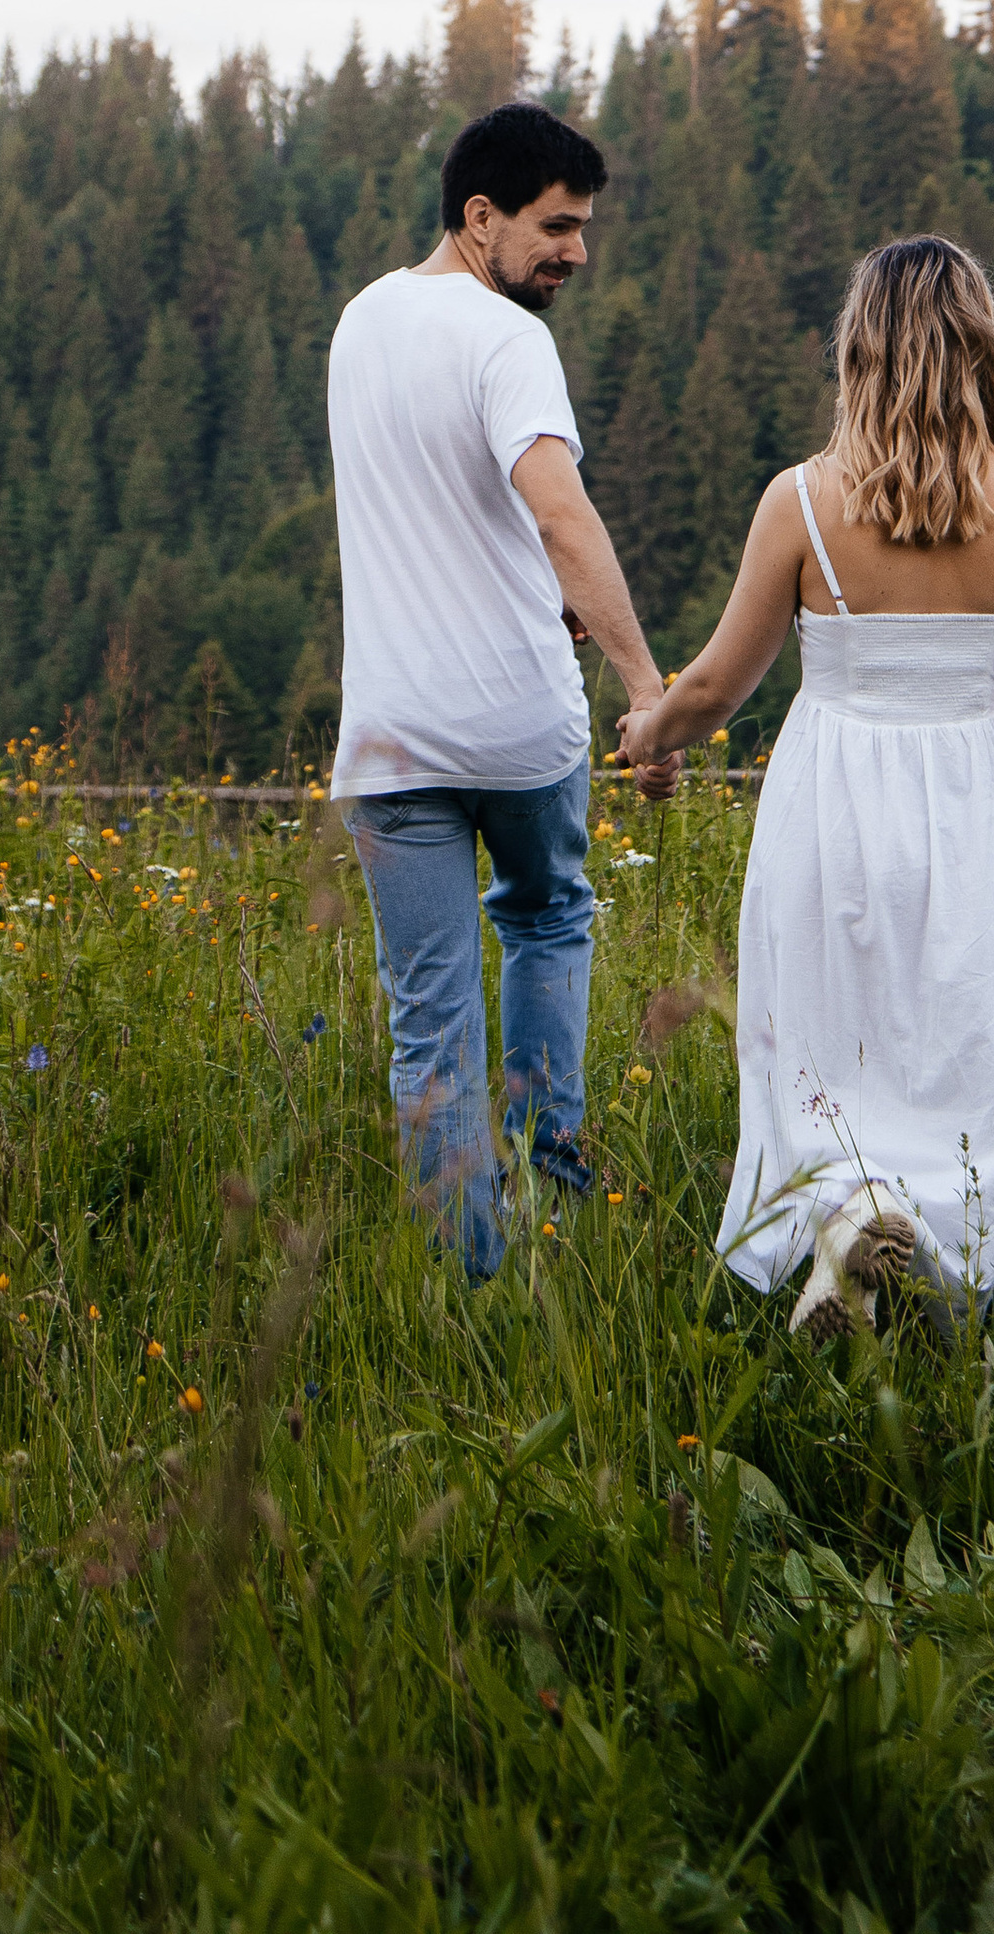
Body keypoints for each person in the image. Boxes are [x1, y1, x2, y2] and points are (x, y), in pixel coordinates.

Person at [617, 233, 994, 1334]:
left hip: (830, 801)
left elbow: (713, 686)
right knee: (966, 1047)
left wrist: (649, 731)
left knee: (821, 1044)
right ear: (984, 349)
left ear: (860, 355)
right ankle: (940, 1268)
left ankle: (848, 1220)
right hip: (970, 807)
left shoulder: (799, 501)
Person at [328, 97, 677, 1279]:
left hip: (387, 740)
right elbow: (556, 507)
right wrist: (645, 685)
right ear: (481, 219)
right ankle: (554, 1201)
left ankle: (473, 1283)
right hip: (518, 727)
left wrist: (538, 579)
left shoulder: (363, 320)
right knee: (544, 916)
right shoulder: (508, 339)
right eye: (555, 227)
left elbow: (434, 505)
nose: (576, 252)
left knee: (427, 1022)